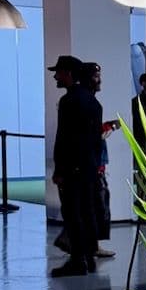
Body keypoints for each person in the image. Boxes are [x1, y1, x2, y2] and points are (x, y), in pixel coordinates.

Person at [50, 55, 102, 277]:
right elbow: (94, 140)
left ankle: (78, 260)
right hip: (89, 167)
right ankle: (88, 257)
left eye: (59, 73)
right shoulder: (93, 101)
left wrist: (60, 170)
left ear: (69, 74)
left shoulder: (69, 101)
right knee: (87, 212)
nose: (55, 77)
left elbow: (65, 139)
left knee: (73, 214)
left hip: (73, 169)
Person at [83, 61, 116, 259]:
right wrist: (106, 130)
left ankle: (88, 245)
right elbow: (91, 136)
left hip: (94, 166)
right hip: (92, 167)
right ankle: (89, 246)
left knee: (96, 206)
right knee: (95, 207)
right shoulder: (90, 103)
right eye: (96, 77)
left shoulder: (90, 102)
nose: (99, 80)